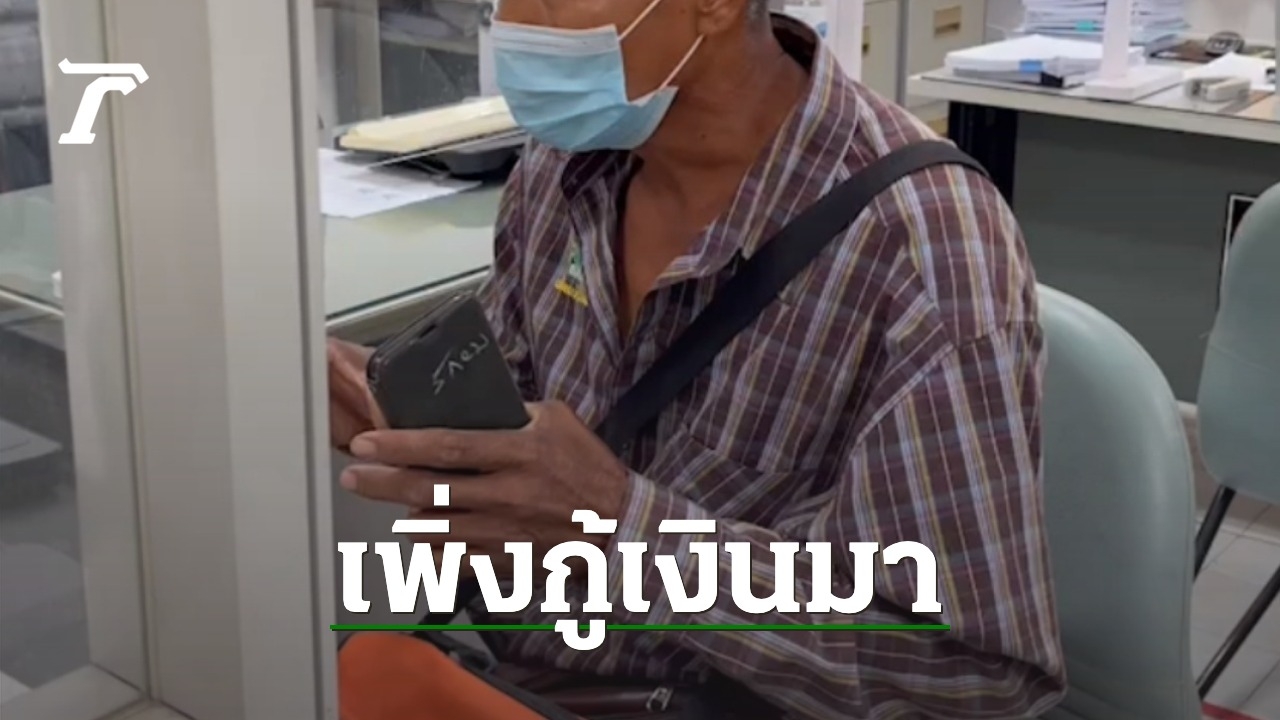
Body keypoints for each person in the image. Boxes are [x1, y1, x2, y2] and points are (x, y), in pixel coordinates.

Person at [328, 0, 1067, 716]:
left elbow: (972, 683)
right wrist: (404, 415)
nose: (512, 24)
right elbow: (520, 437)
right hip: (515, 675)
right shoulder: (562, 170)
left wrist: (621, 526)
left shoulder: (921, 252)